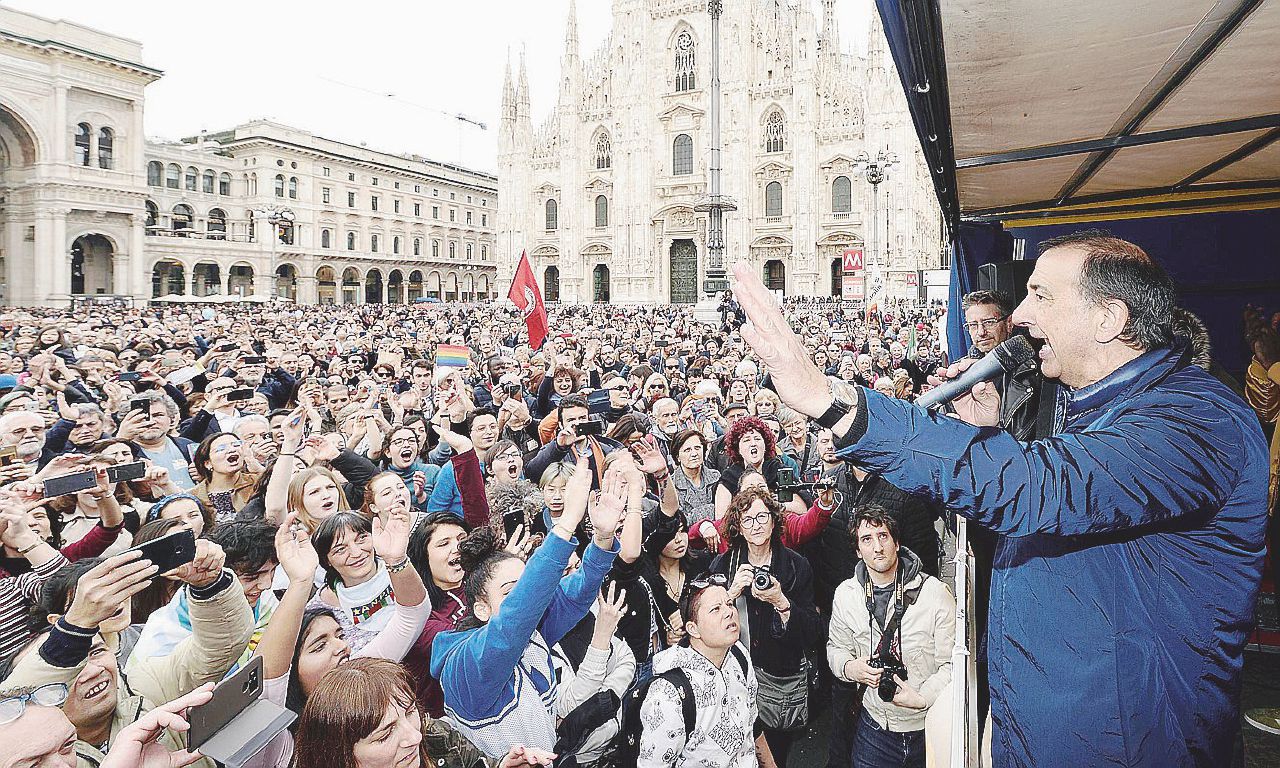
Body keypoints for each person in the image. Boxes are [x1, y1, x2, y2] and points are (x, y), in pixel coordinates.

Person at [729, 231, 1269, 766]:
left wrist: (831, 399)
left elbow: (1043, 488)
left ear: (1109, 319)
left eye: (1041, 296)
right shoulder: (1087, 409)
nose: (1021, 317)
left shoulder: (1199, 422)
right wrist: (993, 435)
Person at [431, 454, 621, 758]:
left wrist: (603, 536)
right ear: (480, 608)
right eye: (510, 592)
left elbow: (577, 591)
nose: (526, 597)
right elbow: (513, 620)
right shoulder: (463, 667)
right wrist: (566, 524)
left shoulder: (535, 629)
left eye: (526, 584)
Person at [827, 508, 954, 768]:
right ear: (857, 551)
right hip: (875, 729)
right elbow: (835, 649)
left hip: (928, 727)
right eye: (867, 539)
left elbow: (952, 666)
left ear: (897, 543)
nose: (877, 547)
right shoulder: (845, 595)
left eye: (883, 536)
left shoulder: (936, 594)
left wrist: (922, 699)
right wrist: (852, 668)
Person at [709, 488, 820, 765]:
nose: (756, 525)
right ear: (739, 527)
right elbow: (703, 625)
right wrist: (730, 593)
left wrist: (782, 602)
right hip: (732, 680)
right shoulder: (724, 565)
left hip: (777, 683)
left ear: (774, 521)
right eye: (747, 520)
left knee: (774, 756)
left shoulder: (796, 566)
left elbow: (813, 632)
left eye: (762, 517)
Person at [292, 658, 555, 768]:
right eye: (385, 735)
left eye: (409, 712)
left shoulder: (435, 735)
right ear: (341, 755)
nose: (414, 737)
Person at [637, 573, 760, 768]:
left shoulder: (739, 655)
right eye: (715, 609)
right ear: (693, 629)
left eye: (729, 604)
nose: (729, 612)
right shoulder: (669, 694)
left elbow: (752, 725)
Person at [960, 290, 1041, 441]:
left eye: (989, 322)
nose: (981, 332)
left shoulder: (1036, 371)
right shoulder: (961, 375)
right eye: (973, 325)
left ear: (1009, 323)